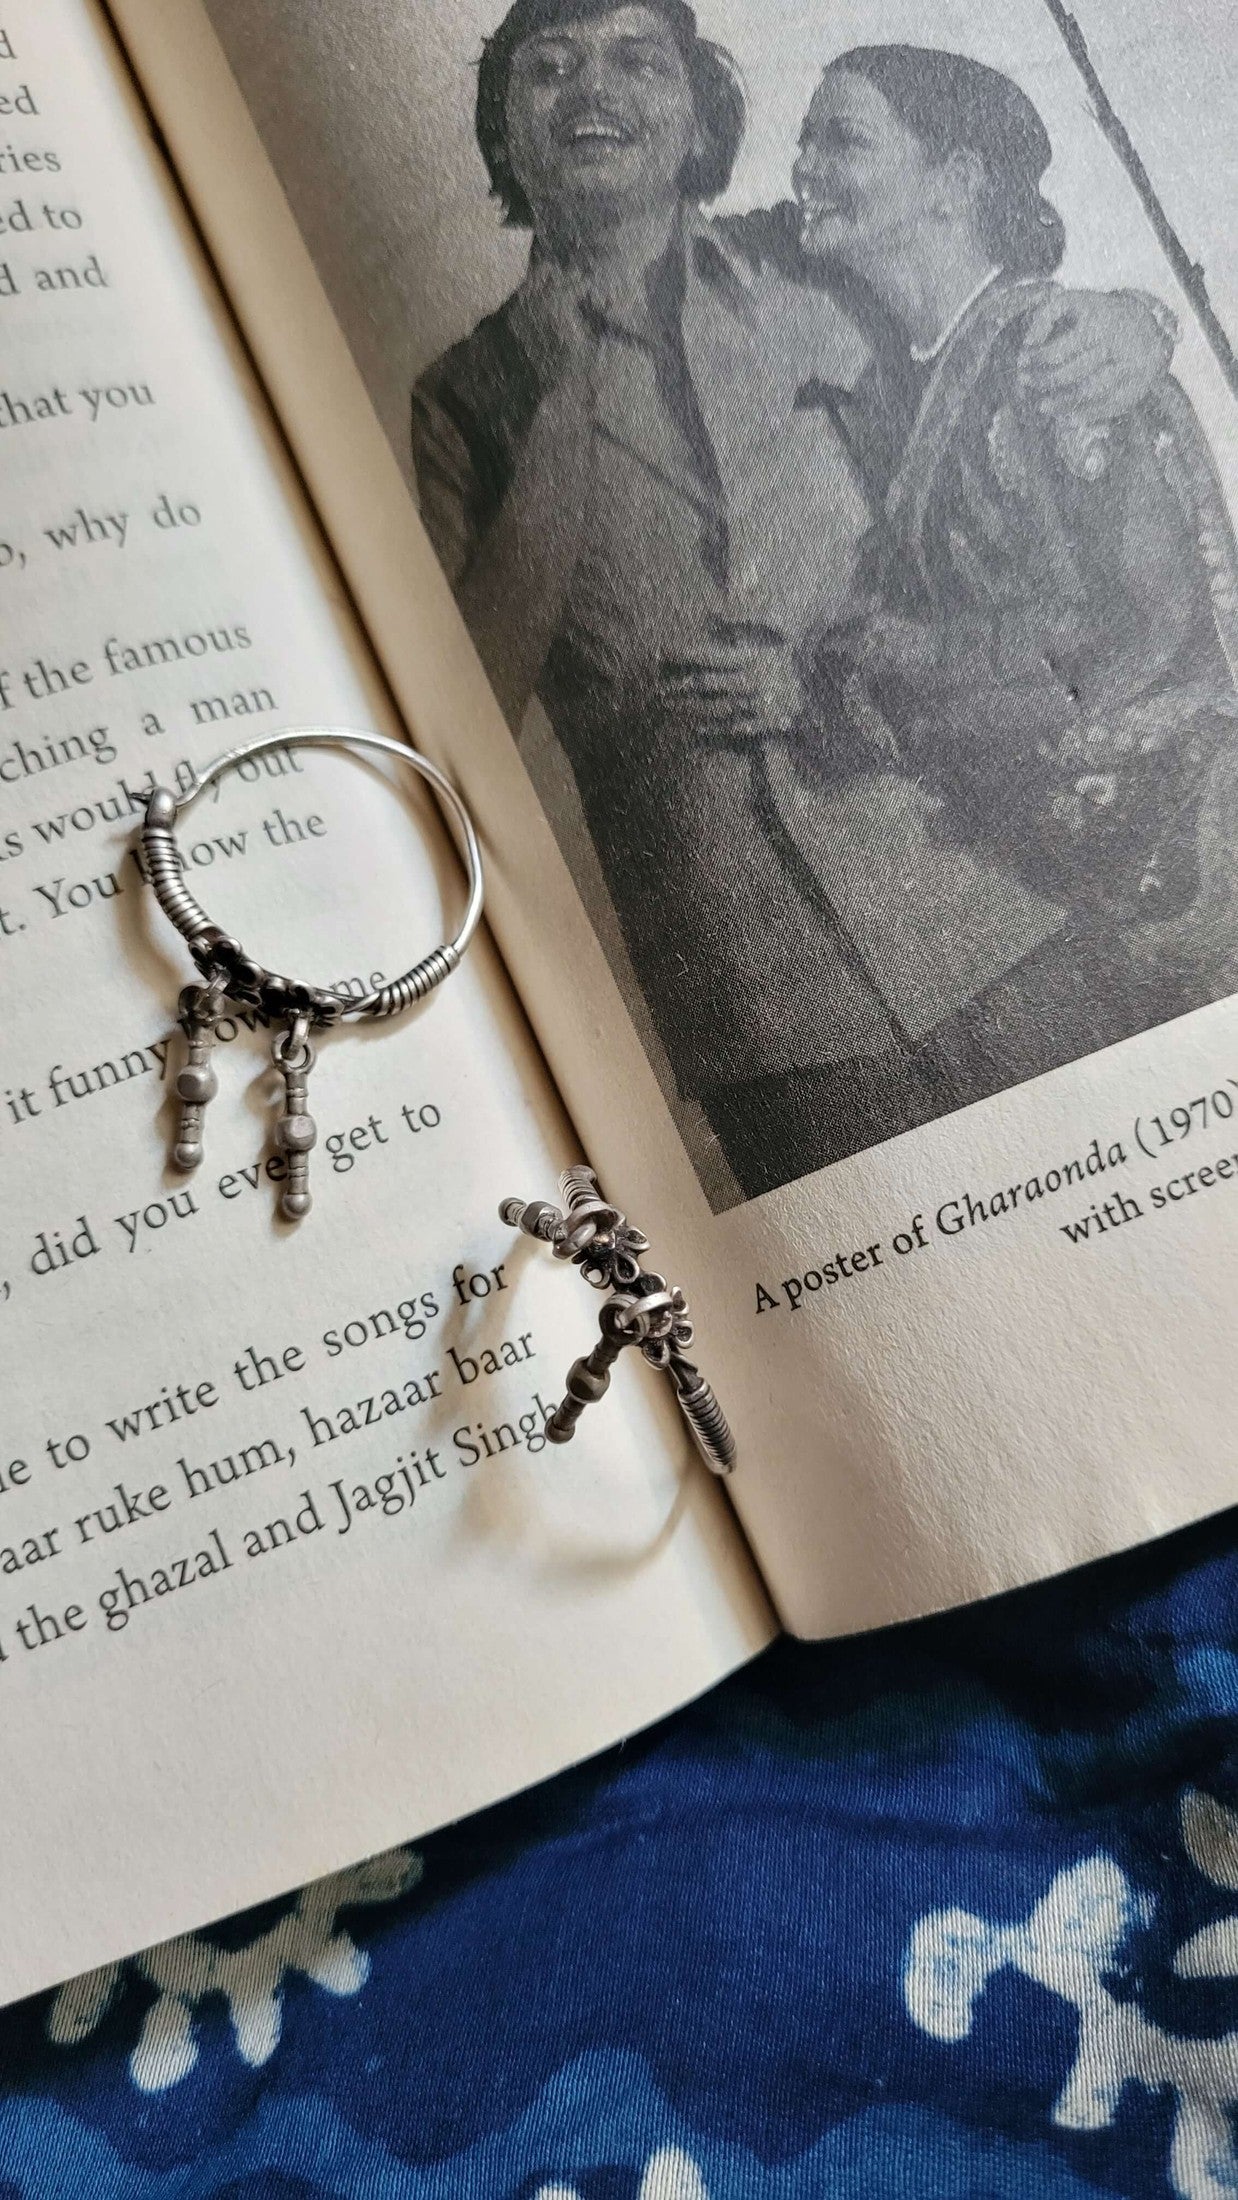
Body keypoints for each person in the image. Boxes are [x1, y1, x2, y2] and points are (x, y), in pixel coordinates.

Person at [413, 0, 1180, 1199]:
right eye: (545, 69)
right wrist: (550, 435)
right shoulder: (460, 399)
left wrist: (1138, 321)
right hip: (764, 1001)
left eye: (634, 60)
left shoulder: (808, 259)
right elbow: (456, 725)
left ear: (699, 105)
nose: (588, 91)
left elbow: (991, 303)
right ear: (503, 130)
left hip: (995, 891)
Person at [771, 46, 1238, 1134]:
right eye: (802, 140)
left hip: (1172, 872)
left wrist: (895, 665)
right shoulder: (912, 370)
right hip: (1057, 880)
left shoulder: (1052, 348)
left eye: (840, 138)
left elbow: (1146, 630)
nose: (802, 165)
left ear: (955, 180)